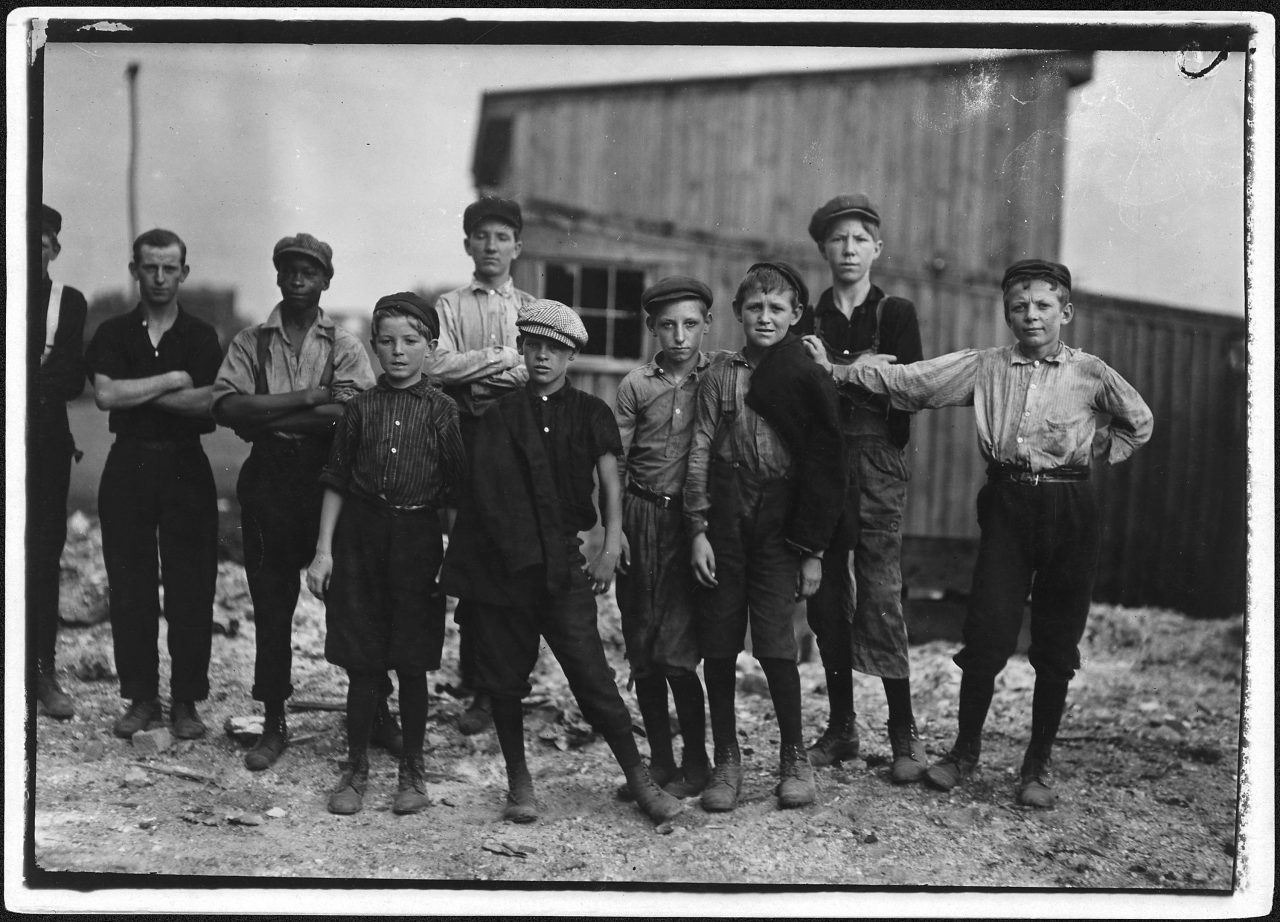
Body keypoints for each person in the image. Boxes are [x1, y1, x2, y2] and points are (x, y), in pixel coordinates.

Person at [839, 259, 1153, 808]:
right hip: (1007, 504)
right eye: (1019, 306)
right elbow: (914, 383)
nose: (1030, 316)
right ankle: (963, 752)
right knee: (987, 633)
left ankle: (1037, 765)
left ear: (1066, 312)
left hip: (1072, 507)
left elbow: (1139, 420)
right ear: (1006, 312)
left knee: (1057, 641)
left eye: (1043, 305)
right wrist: (845, 371)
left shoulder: (1091, 372)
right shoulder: (985, 367)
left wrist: (1097, 450)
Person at [440, 299, 684, 827]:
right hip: (507, 570)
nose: (542, 356)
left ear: (572, 354)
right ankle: (520, 783)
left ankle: (640, 780)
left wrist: (611, 544)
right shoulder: (501, 414)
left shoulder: (590, 413)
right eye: (534, 345)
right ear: (523, 348)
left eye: (555, 348)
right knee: (505, 681)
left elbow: (610, 481)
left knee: (594, 677)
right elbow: (484, 496)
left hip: (563, 565)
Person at [211, 233, 379, 771]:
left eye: (310, 270)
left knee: (352, 599)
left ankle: (376, 711)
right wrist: (309, 398)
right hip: (269, 479)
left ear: (327, 280)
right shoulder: (250, 342)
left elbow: (351, 415)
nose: (298, 278)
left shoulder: (346, 345)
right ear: (278, 275)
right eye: (289, 269)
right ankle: (274, 721)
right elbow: (228, 408)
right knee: (271, 601)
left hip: (330, 479)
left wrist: (267, 412)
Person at [685, 261, 845, 813]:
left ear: (796, 315)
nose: (765, 317)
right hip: (726, 513)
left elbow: (824, 461)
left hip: (780, 516)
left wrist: (813, 551)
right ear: (737, 314)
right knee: (720, 640)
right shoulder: (719, 376)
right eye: (755, 307)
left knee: (776, 640)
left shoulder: (803, 374)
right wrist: (698, 528)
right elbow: (701, 447)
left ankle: (794, 757)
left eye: (777, 308)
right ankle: (726, 760)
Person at [305, 293, 465, 816]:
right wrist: (324, 551)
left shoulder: (442, 411)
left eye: (410, 342)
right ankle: (355, 768)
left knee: (413, 663)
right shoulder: (360, 409)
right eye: (387, 341)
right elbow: (335, 482)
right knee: (362, 663)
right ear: (373, 346)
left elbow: (456, 494)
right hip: (360, 539)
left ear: (430, 347)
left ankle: (412, 771)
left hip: (417, 539)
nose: (398, 352)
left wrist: (453, 557)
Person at [797, 193, 928, 782]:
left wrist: (837, 373)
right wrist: (865, 372)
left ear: (878, 248)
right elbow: (800, 393)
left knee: (880, 585)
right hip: (822, 461)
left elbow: (907, 388)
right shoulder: (807, 316)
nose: (848, 249)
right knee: (825, 594)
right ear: (824, 249)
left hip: (877, 461)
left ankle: (903, 731)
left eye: (859, 239)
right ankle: (843, 727)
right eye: (838, 239)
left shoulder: (896, 311)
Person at [85, 228, 222, 740]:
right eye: (150, 267)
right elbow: (103, 396)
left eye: (170, 268)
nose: (160, 277)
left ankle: (186, 700)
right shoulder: (113, 333)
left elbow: (206, 402)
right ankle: (141, 697)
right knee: (131, 585)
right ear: (135, 270)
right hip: (129, 468)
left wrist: (133, 392)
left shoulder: (202, 336)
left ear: (184, 272)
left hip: (186, 466)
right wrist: (170, 380)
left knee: (192, 585)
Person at [424, 195, 536, 735]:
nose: (491, 246)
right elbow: (436, 364)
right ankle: (475, 685)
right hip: (466, 439)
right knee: (470, 560)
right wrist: (500, 359)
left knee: (513, 558)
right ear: (468, 243)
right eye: (481, 236)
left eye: (501, 237)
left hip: (517, 443)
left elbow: (535, 374)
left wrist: (488, 371)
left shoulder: (533, 310)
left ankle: (506, 685)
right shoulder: (446, 307)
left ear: (518, 246)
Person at [613, 277, 722, 799]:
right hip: (640, 516)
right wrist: (615, 531)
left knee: (679, 648)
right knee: (643, 644)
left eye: (691, 324)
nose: (680, 336)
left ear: (707, 325)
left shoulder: (720, 377)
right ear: (652, 328)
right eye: (668, 326)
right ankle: (658, 760)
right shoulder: (637, 385)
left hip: (691, 524)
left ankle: (697, 760)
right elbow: (614, 461)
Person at [29, 205, 88, 719]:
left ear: (55, 248)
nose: (34, 247)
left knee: (44, 555)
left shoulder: (67, 303)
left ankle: (41, 674)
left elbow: (71, 378)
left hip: (46, 442)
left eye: (43, 240)